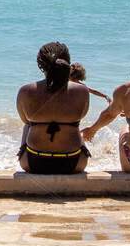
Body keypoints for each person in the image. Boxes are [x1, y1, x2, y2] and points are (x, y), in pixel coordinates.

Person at [15, 41, 92, 174]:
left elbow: (25, 121)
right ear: (68, 62)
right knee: (74, 125)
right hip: (75, 163)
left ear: (41, 65)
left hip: (33, 162)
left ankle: (22, 152)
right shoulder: (82, 91)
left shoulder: (25, 91)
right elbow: (82, 115)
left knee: (29, 125)